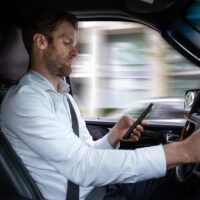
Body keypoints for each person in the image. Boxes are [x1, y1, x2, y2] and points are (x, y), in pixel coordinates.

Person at [1, 9, 200, 200]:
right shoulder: (24, 101)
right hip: (89, 195)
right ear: (41, 42)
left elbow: (88, 151)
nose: (76, 52)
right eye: (67, 42)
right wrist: (184, 151)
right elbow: (83, 166)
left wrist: (114, 135)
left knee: (175, 183)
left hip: (100, 188)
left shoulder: (63, 96)